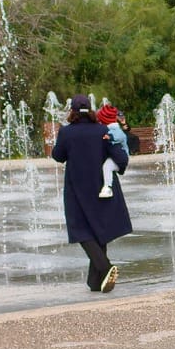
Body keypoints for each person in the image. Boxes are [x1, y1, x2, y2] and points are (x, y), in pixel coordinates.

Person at [52, 94, 132, 293]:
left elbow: (58, 156)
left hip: (77, 189)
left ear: (72, 111)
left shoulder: (66, 133)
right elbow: (120, 157)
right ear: (91, 110)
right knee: (99, 230)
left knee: (80, 230)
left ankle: (105, 268)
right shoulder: (102, 130)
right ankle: (94, 282)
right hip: (100, 188)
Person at [96, 104, 129, 198]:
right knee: (106, 167)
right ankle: (107, 187)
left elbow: (121, 136)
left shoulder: (114, 127)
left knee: (107, 167)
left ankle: (108, 187)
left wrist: (110, 137)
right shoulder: (109, 127)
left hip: (121, 158)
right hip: (117, 157)